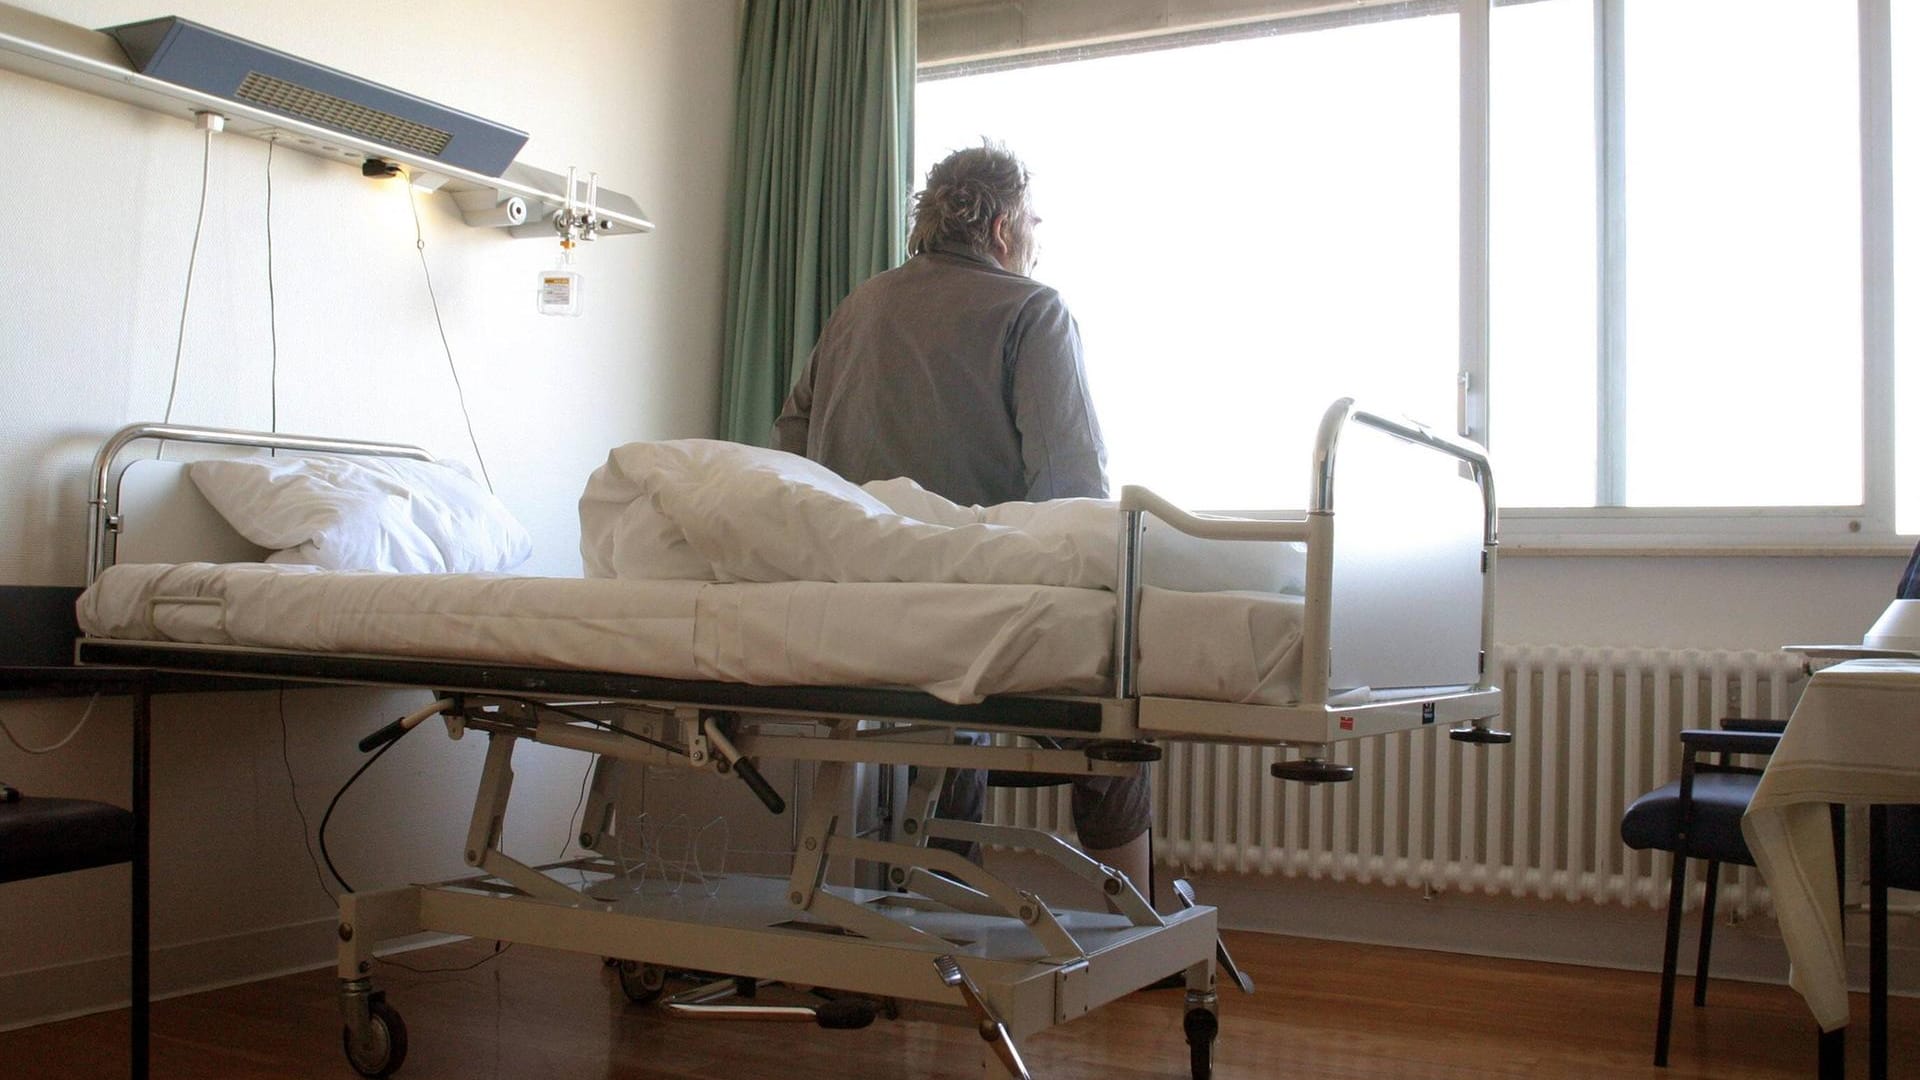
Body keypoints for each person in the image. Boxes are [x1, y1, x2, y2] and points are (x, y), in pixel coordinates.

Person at [772, 142, 1151, 897]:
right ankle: (1132, 921)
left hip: (850, 602)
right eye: (1035, 223)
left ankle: (947, 907)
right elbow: (1071, 487)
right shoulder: (1032, 309)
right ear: (1005, 228)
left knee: (949, 723)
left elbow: (790, 448)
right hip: (968, 600)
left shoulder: (857, 307)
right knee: (1114, 710)